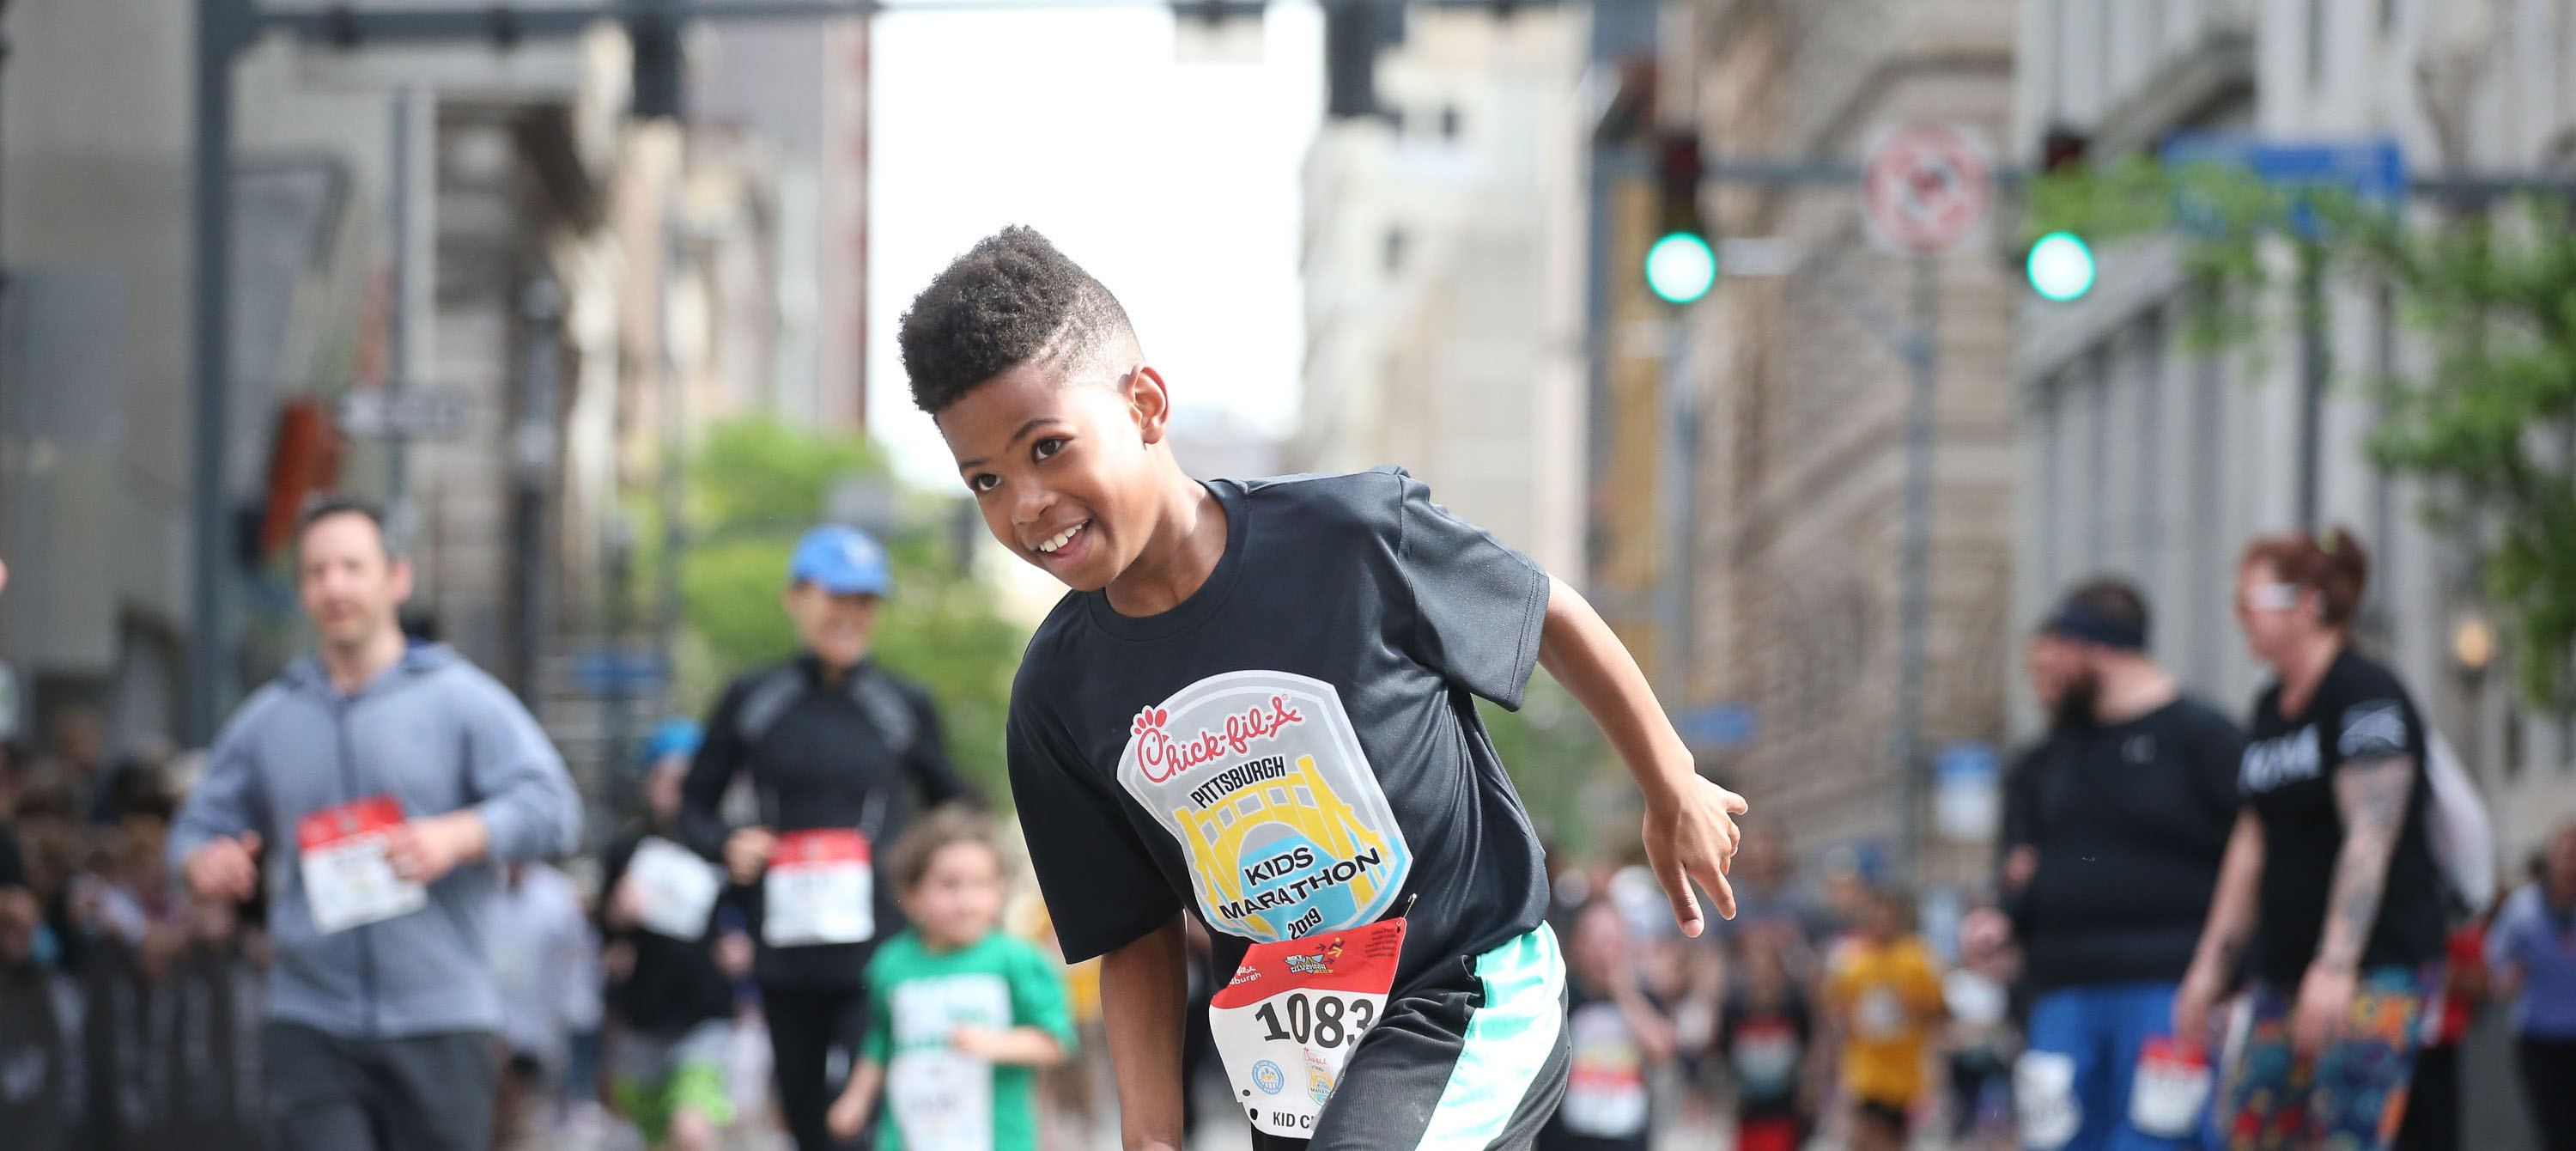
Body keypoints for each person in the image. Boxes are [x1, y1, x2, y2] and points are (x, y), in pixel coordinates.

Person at [901, 226, 1747, 1151]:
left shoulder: (1350, 537)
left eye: (1049, 447)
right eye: (985, 478)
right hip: (1293, 1053)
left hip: (1464, 984)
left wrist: (1672, 784)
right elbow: (1134, 931)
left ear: (1144, 404)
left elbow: (1545, 611)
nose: (1025, 502)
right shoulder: (1057, 695)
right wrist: (1149, 1132)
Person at [167, 496, 584, 1151]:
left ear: (397, 578)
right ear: (302, 588)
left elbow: (554, 807)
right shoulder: (270, 718)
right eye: (317, 571)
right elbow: (194, 829)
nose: (335, 585)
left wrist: (458, 836)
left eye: (353, 568)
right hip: (309, 1020)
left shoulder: (460, 699)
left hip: (441, 1021)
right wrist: (201, 863)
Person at [680, 522, 977, 1151]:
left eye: (865, 601)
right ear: (796, 598)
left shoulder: (901, 702)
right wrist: (728, 845)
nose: (851, 614)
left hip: (881, 947)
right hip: (783, 948)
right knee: (805, 1115)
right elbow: (692, 808)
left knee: (862, 1113)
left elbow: (955, 804)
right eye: (836, 596)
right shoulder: (754, 697)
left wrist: (935, 882)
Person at [2175, 528, 2450, 1151]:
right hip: (2282, 970)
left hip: (2372, 966)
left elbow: (2371, 834)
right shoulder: (2269, 707)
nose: (2240, 617)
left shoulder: (2365, 693)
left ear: (2308, 604)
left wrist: (2336, 964)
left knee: (2345, 1133)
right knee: (2253, 1128)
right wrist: (2209, 967)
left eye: (2251, 601)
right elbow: (2252, 843)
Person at [2001, 581, 2245, 1151]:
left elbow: (2256, 854)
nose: (2045, 674)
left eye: (2055, 654)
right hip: (2063, 991)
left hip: (2167, 987)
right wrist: (2001, 917)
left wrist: (2231, 971)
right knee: (2057, 1139)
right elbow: (2021, 866)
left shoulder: (2202, 738)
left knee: (2158, 1138)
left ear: (2094, 648)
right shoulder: (2045, 759)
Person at [824, 808, 1075, 1149]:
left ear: (1000, 892)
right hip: (907, 1136)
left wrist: (996, 1043)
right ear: (912, 894)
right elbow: (881, 1041)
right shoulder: (891, 964)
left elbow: (1055, 1042)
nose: (966, 901)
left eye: (981, 884)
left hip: (997, 1138)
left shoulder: (1018, 960)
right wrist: (855, 1099)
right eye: (949, 885)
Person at [600, 719, 742, 1151]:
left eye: (686, 779)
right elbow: (605, 935)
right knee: (651, 1134)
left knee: (692, 1129)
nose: (676, 790)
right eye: (666, 777)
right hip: (644, 1014)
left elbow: (751, 912)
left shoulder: (725, 846)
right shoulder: (627, 848)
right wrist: (617, 917)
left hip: (706, 1012)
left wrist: (745, 945)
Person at [1540, 899, 1676, 1151]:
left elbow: (1662, 1048)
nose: (1604, 952)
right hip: (1567, 1140)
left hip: (1627, 1140)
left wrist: (1624, 992)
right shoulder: (1557, 1000)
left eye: (1612, 942)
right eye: (1595, 942)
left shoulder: (1643, 999)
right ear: (1576, 946)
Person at [1823, 884, 1944, 1151]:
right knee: (1864, 1134)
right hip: (1866, 1067)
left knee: (1893, 1139)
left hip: (1905, 1070)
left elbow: (1938, 1012)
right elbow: (1834, 1011)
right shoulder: (1851, 959)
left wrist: (1911, 1006)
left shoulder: (1917, 958)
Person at [2489, 822, 2576, 1151]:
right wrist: (2508, 977)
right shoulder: (2521, 913)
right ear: (2551, 861)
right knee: (2556, 1131)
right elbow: (2496, 971)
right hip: (2540, 1041)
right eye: (2567, 856)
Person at [1720, 935, 1817, 1151]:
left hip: (1786, 1108)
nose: (1761, 975)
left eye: (1767, 967)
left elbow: (1809, 1047)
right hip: (1747, 1108)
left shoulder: (1795, 1007)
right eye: (1754, 967)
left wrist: (1809, 1089)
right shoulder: (1732, 1009)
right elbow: (1723, 1053)